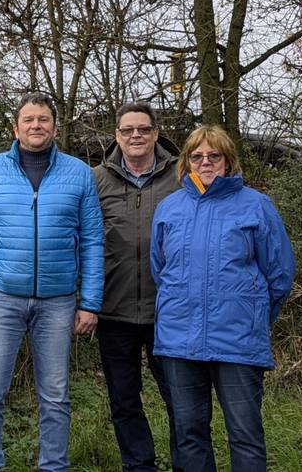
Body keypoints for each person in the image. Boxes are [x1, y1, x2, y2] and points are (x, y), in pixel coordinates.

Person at [0, 92, 105, 472]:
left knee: (55, 395)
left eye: (43, 119)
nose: (35, 126)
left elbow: (92, 240)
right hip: (2, 298)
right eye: (28, 119)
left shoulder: (79, 173)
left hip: (58, 301)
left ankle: (54, 465)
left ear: (55, 127)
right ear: (15, 127)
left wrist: (89, 302)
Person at [150, 125, 295, 472]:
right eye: (197, 156)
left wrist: (251, 314)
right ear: (186, 162)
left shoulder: (256, 206)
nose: (205, 162)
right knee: (188, 434)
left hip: (238, 341)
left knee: (244, 435)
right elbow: (160, 270)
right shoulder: (169, 208)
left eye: (214, 156)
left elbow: (279, 276)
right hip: (179, 341)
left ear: (228, 161)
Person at [92, 102, 182, 472]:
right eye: (127, 130)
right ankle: (139, 465)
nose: (136, 136)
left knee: (180, 399)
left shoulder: (181, 175)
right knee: (124, 401)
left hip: (171, 310)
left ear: (156, 133)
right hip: (115, 308)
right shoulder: (96, 178)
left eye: (143, 129)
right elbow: (82, 237)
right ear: (117, 136)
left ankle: (186, 463)